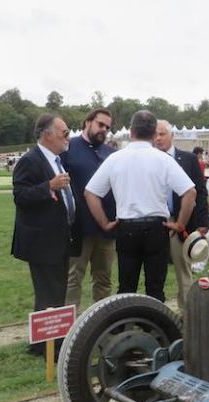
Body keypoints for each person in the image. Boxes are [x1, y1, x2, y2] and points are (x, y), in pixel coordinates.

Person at [84, 110, 196, 302]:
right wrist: (180, 224)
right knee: (155, 286)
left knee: (126, 286)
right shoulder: (163, 159)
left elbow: (91, 193)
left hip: (126, 226)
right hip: (156, 227)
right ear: (154, 134)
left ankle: (125, 326)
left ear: (131, 132)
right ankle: (155, 327)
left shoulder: (115, 158)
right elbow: (190, 192)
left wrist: (104, 223)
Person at [11, 114, 75, 359]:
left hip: (59, 237)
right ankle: (48, 346)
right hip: (42, 242)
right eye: (64, 133)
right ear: (47, 134)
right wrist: (48, 186)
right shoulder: (31, 160)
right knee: (49, 293)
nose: (67, 137)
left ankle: (47, 342)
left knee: (55, 292)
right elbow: (20, 195)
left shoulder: (57, 159)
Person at [61, 108, 117, 309]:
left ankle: (100, 323)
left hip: (107, 228)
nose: (104, 130)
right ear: (87, 122)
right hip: (78, 226)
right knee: (73, 279)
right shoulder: (68, 148)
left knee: (103, 280)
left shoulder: (111, 153)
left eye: (108, 127)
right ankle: (70, 331)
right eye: (100, 124)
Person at [154, 120, 209, 309]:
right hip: (155, 221)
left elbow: (200, 191)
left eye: (162, 134)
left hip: (181, 221)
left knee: (183, 271)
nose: (158, 138)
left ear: (172, 135)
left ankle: (189, 313)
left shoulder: (188, 159)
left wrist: (203, 220)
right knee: (155, 272)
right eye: (155, 134)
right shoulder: (149, 159)